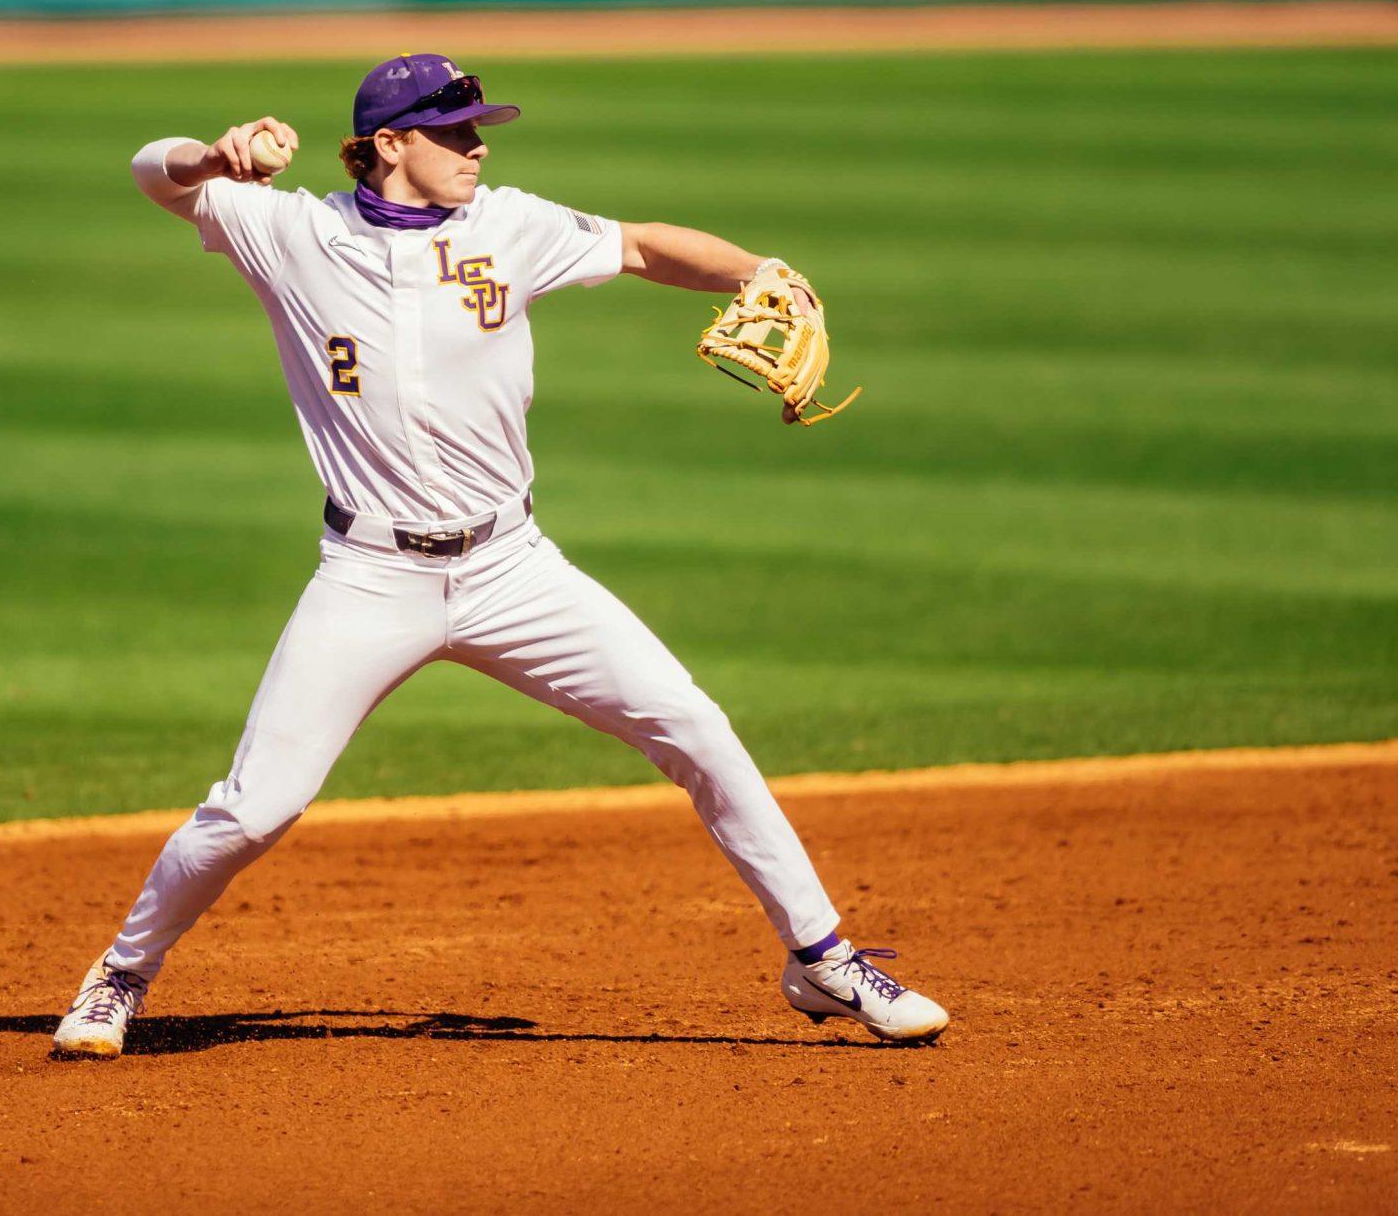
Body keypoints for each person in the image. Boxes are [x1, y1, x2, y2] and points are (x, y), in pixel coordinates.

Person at [51, 54, 948, 1057]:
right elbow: (150, 173)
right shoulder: (288, 231)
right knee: (256, 809)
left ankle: (822, 960)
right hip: (370, 578)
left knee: (694, 726)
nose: (479, 147)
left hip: (512, 571)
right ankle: (120, 976)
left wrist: (756, 271)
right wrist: (207, 151)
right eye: (456, 131)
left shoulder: (510, 226)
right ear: (390, 146)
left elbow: (647, 247)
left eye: (482, 128)